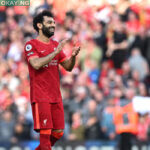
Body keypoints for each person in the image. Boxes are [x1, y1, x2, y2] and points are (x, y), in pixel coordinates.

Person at [24, 10, 80, 150]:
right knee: (45, 134)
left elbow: (68, 67)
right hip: (41, 96)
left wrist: (72, 57)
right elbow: (36, 64)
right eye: (49, 22)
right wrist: (54, 53)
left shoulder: (55, 45)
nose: (53, 25)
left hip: (56, 96)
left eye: (54, 23)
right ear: (39, 25)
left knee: (58, 132)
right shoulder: (31, 45)